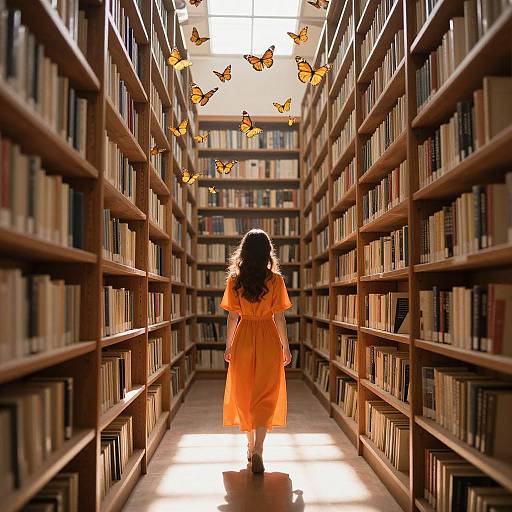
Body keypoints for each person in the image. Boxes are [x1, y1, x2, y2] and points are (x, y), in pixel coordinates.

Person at [220, 229, 293, 474]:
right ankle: (260, 448)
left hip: (243, 336)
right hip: (268, 337)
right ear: (267, 253)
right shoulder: (276, 281)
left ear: (244, 252)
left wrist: (229, 345)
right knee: (266, 393)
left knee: (244, 392)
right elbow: (280, 317)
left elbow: (232, 317)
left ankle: (250, 447)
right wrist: (286, 346)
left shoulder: (235, 280)